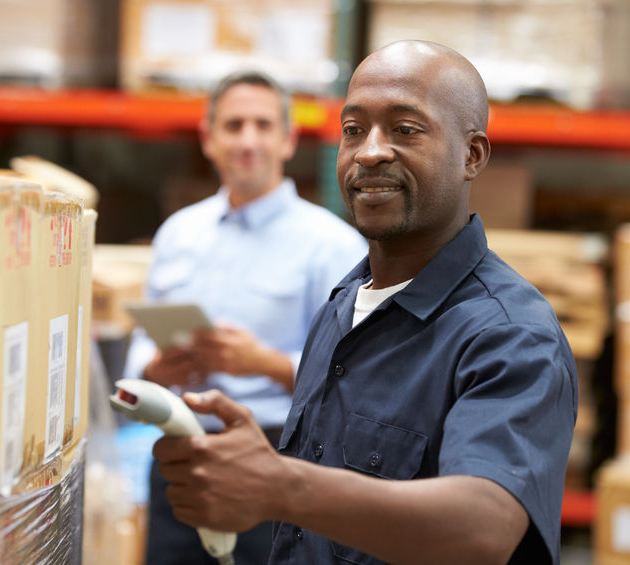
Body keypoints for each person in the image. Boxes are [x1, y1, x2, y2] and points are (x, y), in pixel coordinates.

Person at [151, 40, 578, 565]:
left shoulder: (510, 334)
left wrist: (281, 485)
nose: (370, 151)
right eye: (353, 130)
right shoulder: (342, 307)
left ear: (471, 156)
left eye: (405, 129)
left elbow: (485, 527)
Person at [122, 70, 369, 565]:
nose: (248, 140)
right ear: (208, 138)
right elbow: (138, 362)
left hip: (275, 462)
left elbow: (357, 377)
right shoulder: (177, 234)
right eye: (234, 126)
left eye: (262, 125)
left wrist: (264, 363)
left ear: (288, 140)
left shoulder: (331, 245)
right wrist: (153, 373)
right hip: (178, 456)